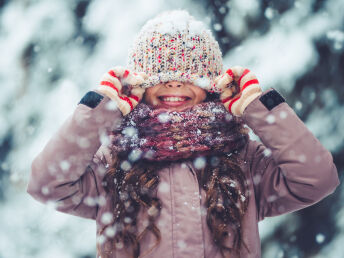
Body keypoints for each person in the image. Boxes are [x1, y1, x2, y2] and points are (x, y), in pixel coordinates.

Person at [27, 10, 340, 258]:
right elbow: (46, 184)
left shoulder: (243, 159)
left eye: (190, 76)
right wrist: (99, 112)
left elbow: (316, 178)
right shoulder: (114, 161)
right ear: (139, 88)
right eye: (162, 76)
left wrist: (259, 107)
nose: (174, 85)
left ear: (210, 88)